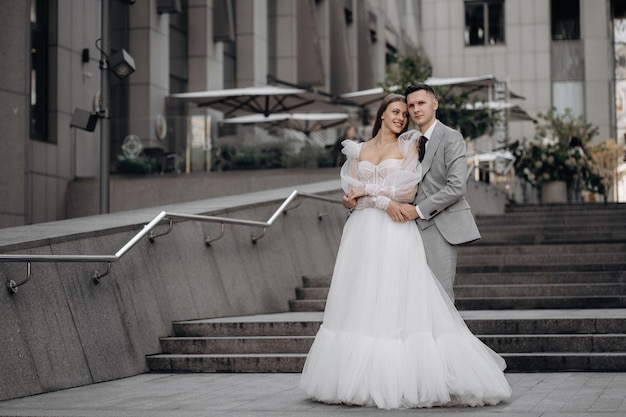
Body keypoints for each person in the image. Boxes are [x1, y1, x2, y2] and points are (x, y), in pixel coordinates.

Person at [299, 94, 511, 410]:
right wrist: (353, 200)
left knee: (397, 297)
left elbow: (406, 192)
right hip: (361, 231)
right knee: (361, 298)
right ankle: (357, 378)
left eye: (405, 113)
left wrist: (373, 195)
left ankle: (412, 378)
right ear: (381, 114)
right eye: (396, 111)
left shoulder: (409, 146)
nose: (402, 117)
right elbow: (352, 191)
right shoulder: (357, 150)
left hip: (396, 229)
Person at [396, 83, 481, 302]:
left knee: (440, 296)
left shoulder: (451, 137)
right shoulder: (407, 142)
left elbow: (456, 187)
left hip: (440, 226)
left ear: (435, 104)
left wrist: (418, 211)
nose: (416, 109)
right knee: (411, 294)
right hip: (406, 228)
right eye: (411, 105)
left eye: (421, 103)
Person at [567, 136, 585, 203]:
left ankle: (572, 201)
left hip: (573, 170)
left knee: (572, 188)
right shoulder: (580, 150)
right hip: (580, 170)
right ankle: (578, 201)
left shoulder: (570, 150)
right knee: (578, 188)